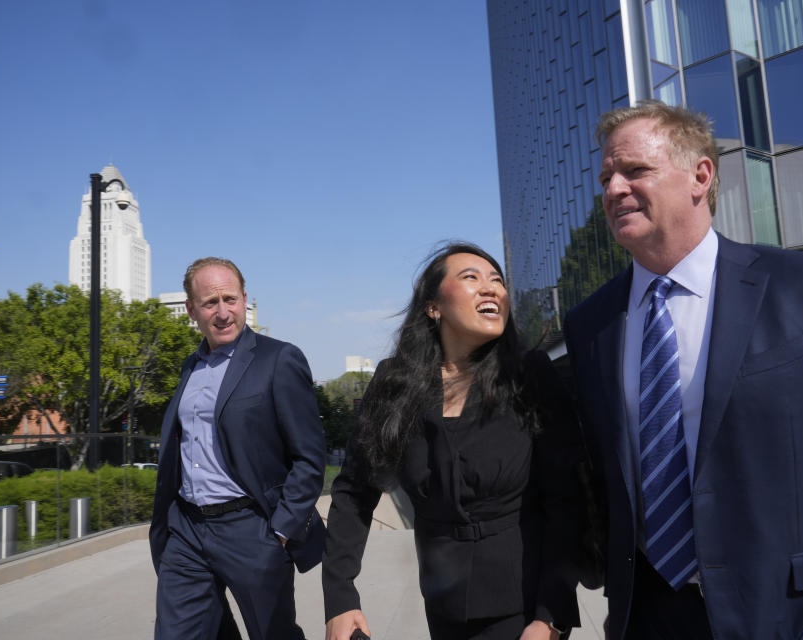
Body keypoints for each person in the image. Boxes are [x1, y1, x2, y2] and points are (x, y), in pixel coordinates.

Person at [563, 100, 803, 639]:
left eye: (635, 170)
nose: (613, 190)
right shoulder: (590, 324)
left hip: (797, 619)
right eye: (606, 177)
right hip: (648, 618)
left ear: (700, 176)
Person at [322, 243, 585, 640]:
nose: (491, 288)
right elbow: (354, 492)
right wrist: (340, 598)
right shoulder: (395, 383)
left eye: (497, 280)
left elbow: (568, 502)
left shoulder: (530, 375)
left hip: (525, 607)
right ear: (433, 307)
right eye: (471, 278)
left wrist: (550, 617)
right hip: (443, 604)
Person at [150, 257, 327, 640]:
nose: (223, 312)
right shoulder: (189, 367)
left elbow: (310, 457)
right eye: (210, 303)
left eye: (230, 299)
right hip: (187, 530)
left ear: (245, 299)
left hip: (251, 529)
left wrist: (279, 531)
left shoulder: (278, 359)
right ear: (191, 309)